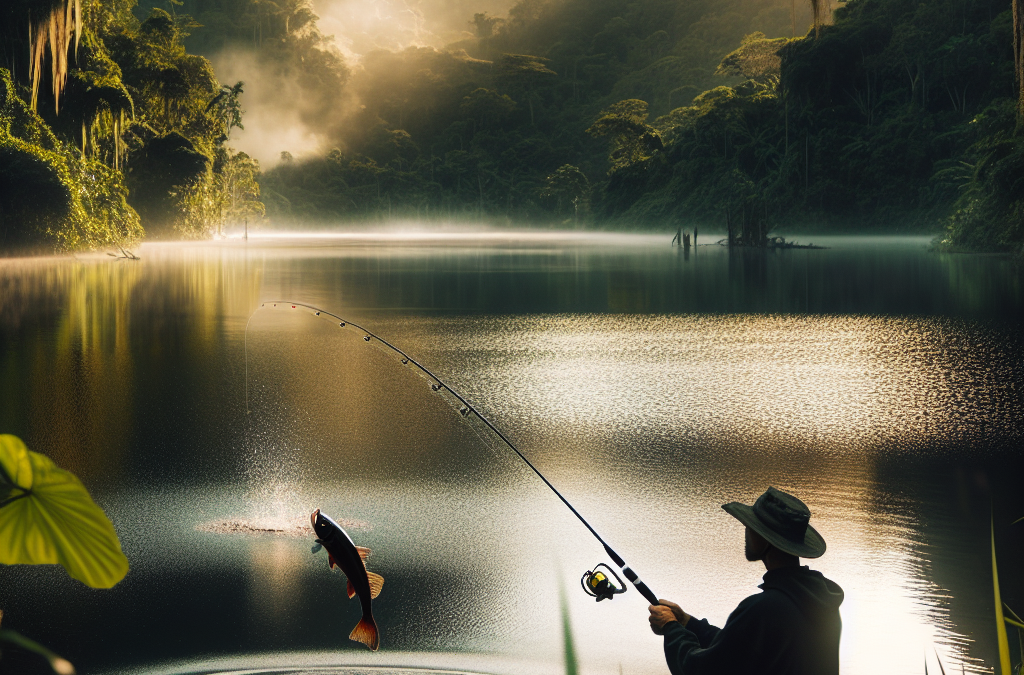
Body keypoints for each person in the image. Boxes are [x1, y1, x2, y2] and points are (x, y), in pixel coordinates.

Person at [648, 487, 844, 675]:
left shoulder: (763, 608)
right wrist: (688, 623)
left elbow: (698, 669)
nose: (746, 531)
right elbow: (739, 648)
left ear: (766, 539)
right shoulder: (820, 602)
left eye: (751, 527)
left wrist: (671, 627)